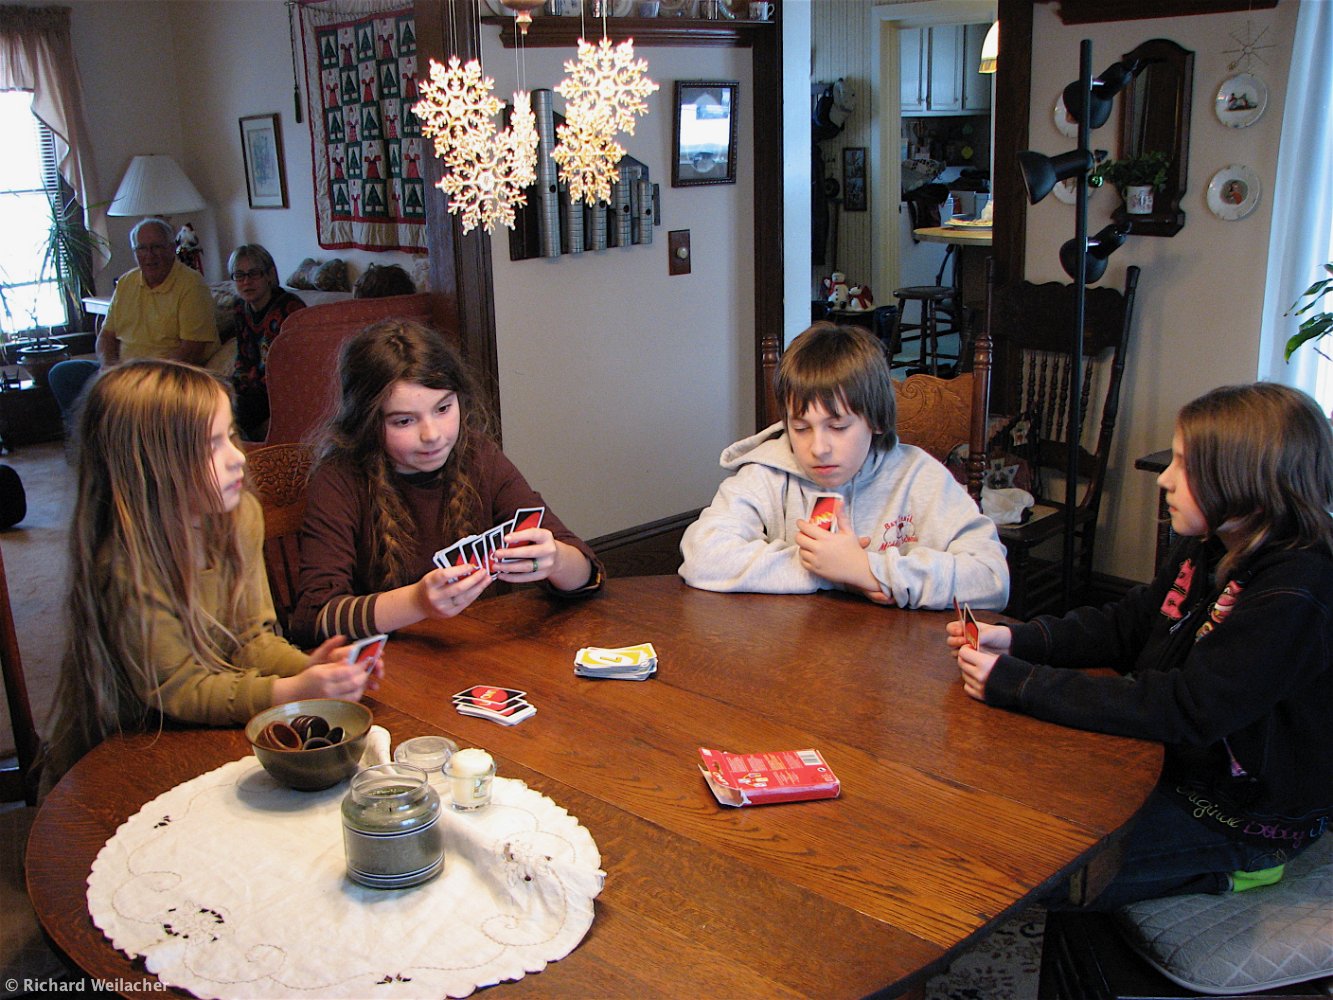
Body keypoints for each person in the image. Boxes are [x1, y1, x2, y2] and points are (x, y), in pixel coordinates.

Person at [949, 383, 1333, 909]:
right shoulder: (1210, 543)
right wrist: (1021, 639)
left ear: (1248, 481)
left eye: (1185, 465)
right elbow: (1129, 624)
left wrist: (1022, 684)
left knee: (1033, 873)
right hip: (1175, 764)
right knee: (1000, 801)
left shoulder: (1297, 592)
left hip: (1238, 815)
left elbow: (1185, 708)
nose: (1166, 479)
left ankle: (1241, 869)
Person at [42, 360, 378, 787]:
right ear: (150, 466)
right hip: (133, 748)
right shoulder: (127, 563)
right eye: (209, 446)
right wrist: (291, 692)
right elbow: (178, 687)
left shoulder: (239, 516)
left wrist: (308, 668)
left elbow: (250, 639)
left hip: (211, 727)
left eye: (231, 436)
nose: (238, 458)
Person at [291, 319, 603, 645]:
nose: (432, 435)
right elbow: (314, 618)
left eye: (443, 408)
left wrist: (557, 560)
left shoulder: (478, 455)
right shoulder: (339, 479)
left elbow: (589, 575)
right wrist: (417, 603)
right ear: (366, 421)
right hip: (385, 666)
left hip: (478, 652)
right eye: (404, 421)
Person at [680, 322, 1008, 608]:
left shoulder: (920, 477)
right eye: (801, 428)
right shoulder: (766, 473)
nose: (818, 448)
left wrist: (869, 570)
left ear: (877, 420)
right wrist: (829, 570)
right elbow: (702, 557)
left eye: (838, 427)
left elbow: (992, 579)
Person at [47, 217, 220, 419]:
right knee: (62, 374)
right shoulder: (127, 282)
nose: (149, 255)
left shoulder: (191, 285)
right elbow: (106, 336)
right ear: (135, 252)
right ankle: (91, 435)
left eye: (156, 247)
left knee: (131, 400)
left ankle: (110, 428)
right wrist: (109, 368)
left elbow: (191, 350)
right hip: (123, 371)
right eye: (142, 248)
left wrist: (139, 379)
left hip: (163, 377)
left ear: (172, 248)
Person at [228, 244, 306, 440]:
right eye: (239, 275)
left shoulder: (290, 309)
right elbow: (242, 358)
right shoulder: (240, 308)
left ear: (270, 275)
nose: (246, 282)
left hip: (279, 391)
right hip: (250, 388)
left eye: (254, 274)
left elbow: (291, 369)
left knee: (233, 412)